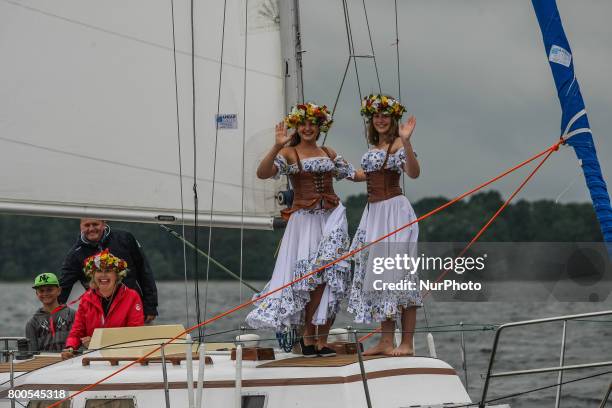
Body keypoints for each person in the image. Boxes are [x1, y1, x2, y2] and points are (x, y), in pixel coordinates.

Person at [246, 102, 355, 357]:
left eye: (313, 124)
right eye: (304, 124)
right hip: (304, 221)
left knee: (331, 277)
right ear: (298, 126)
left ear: (320, 126)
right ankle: (308, 336)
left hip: (330, 218)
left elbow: (353, 174)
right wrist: (276, 145)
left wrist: (389, 165)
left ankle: (320, 339)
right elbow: (263, 173)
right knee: (312, 278)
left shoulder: (328, 152)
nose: (308, 128)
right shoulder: (289, 153)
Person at [347, 94, 422, 356]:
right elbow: (365, 175)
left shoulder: (400, 144)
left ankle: (407, 343)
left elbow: (413, 172)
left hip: (395, 213)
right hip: (375, 213)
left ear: (393, 119)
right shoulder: (372, 150)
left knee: (400, 277)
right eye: (376, 115)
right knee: (379, 276)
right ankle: (386, 341)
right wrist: (342, 171)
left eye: (385, 115)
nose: (380, 120)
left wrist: (408, 141)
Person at [59, 219, 158, 322]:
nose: (91, 229)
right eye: (87, 225)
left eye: (95, 224)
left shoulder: (125, 238)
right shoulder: (75, 255)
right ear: (80, 226)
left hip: (133, 307)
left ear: (104, 223)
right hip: (102, 314)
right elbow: (63, 287)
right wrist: (53, 313)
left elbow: (144, 271)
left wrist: (150, 306)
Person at [61, 249, 144, 359]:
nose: (103, 275)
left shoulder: (132, 296)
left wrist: (98, 342)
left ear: (117, 275)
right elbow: (77, 332)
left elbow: (135, 334)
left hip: (124, 357)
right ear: (93, 275)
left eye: (108, 270)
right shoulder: (86, 298)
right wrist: (70, 348)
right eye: (99, 271)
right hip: (93, 357)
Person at [25, 273, 75, 353]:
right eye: (41, 291)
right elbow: (32, 353)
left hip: (70, 362)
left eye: (49, 289)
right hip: (44, 364)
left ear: (59, 291)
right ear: (37, 294)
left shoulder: (73, 315)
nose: (45, 293)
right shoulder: (32, 323)